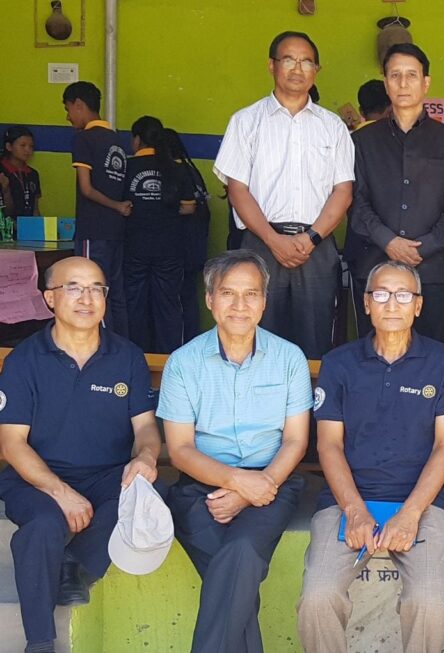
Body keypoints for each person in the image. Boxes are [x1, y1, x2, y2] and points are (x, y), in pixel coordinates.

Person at [297, 261, 444, 653]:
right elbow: (329, 445)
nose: (392, 304)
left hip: (424, 503)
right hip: (347, 499)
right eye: (381, 294)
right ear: (366, 303)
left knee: (428, 604)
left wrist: (410, 513)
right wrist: (354, 509)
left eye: (403, 295)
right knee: (317, 598)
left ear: (418, 305)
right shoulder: (339, 363)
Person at [0, 256, 161, 653]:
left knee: (147, 498)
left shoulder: (126, 356)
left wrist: (146, 457)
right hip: (35, 476)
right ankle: (40, 642)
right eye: (73, 288)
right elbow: (12, 443)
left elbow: (145, 429)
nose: (87, 299)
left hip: (107, 474)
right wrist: (60, 492)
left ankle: (75, 566)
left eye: (96, 289)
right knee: (42, 527)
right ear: (49, 298)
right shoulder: (24, 360)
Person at [158, 250, 312, 653]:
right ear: (210, 299)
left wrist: (256, 487)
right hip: (200, 489)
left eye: (251, 294)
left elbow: (295, 441)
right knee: (237, 572)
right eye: (228, 293)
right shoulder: (184, 363)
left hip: (273, 484)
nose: (240, 305)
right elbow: (180, 449)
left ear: (264, 301)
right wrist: (237, 483)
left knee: (239, 552)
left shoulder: (289, 358)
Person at [214, 31, 355, 360]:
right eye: (289, 60)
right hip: (261, 244)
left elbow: (343, 191)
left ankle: (310, 398)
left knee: (316, 340)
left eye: (306, 62)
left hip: (316, 247)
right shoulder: (246, 121)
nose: (297, 68)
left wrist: (311, 237)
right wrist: (273, 240)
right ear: (272, 65)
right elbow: (237, 189)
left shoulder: (333, 126)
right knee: (256, 337)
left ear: (316, 70)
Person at [348, 44, 444, 344]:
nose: (403, 83)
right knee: (374, 353)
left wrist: (423, 247)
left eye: (411, 75)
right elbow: (355, 201)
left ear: (426, 83)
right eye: (395, 75)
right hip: (375, 267)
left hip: (435, 270)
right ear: (386, 82)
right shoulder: (363, 140)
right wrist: (388, 241)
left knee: (432, 355)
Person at [122, 116, 196, 354]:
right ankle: (168, 360)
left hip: (135, 247)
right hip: (169, 248)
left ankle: (137, 357)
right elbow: (189, 207)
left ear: (137, 139)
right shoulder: (176, 168)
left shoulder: (127, 167)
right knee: (168, 306)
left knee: (135, 305)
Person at [64, 81, 131, 336]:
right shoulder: (117, 140)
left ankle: (100, 344)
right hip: (116, 230)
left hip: (93, 229)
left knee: (91, 290)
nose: (68, 117)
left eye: (68, 109)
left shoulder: (84, 139)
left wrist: (115, 205)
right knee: (115, 291)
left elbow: (86, 188)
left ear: (79, 104)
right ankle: (120, 343)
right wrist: (119, 207)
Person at [166, 128, 212, 342]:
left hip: (182, 247)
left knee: (179, 299)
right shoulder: (191, 170)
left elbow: (187, 208)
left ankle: (182, 344)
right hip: (196, 245)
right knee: (189, 297)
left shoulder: (176, 172)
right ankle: (191, 340)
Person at [1, 125, 42, 218]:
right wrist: (6, 190)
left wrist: (38, 225)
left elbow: (35, 209)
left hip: (27, 225)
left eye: (31, 146)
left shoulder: (33, 174)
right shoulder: (2, 171)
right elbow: (6, 212)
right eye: (23, 145)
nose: (28, 150)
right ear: (9, 146)